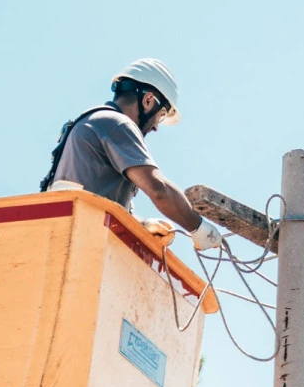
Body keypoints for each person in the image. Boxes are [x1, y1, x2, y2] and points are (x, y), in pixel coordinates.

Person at [41, 58, 223, 252]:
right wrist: (199, 227)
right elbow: (159, 190)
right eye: (160, 115)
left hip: (63, 237)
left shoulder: (96, 122)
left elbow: (96, 193)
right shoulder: (116, 123)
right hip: (79, 241)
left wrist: (141, 224)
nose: (155, 127)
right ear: (148, 100)